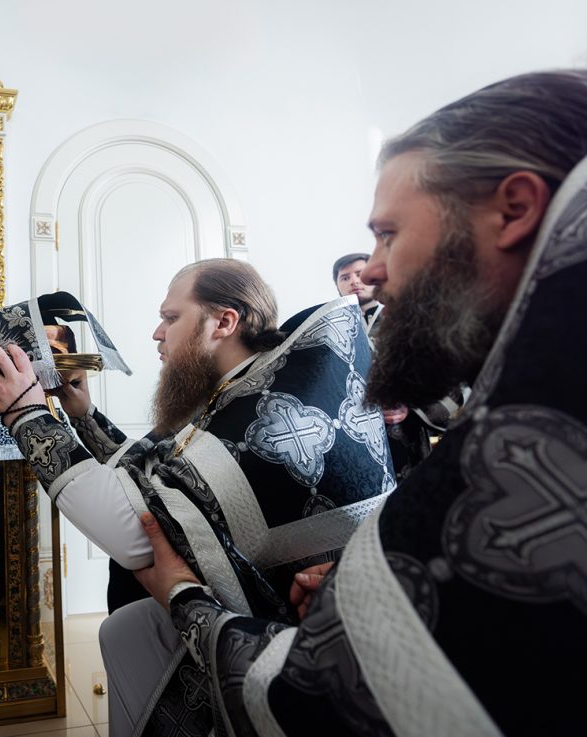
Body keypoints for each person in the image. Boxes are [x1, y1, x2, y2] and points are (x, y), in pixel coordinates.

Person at [134, 69, 587, 737]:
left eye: (388, 234)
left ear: (514, 208)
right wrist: (359, 580)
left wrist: (181, 595)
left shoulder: (536, 442)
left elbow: (313, 695)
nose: (369, 271)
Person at [0, 258, 394, 736]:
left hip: (291, 658)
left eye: (171, 317)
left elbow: (135, 527)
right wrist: (84, 414)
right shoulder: (239, 390)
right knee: (126, 631)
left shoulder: (267, 419)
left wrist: (26, 413)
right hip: (246, 621)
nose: (157, 333)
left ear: (224, 321)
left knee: (130, 633)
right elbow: (157, 477)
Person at [333, 251, 467, 479]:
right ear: (337, 287)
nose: (354, 281)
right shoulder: (334, 335)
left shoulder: (410, 322)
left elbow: (448, 377)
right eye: (345, 277)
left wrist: (408, 405)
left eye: (359, 273)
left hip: (407, 441)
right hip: (356, 445)